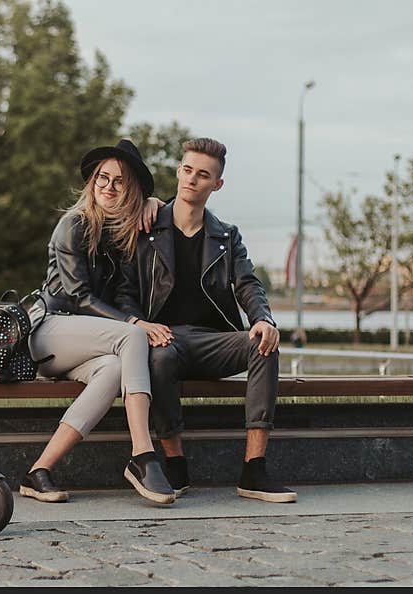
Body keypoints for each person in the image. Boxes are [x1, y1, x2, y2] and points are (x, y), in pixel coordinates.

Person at [115, 137, 297, 503]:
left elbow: (248, 283)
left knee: (263, 344)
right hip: (164, 340)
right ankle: (175, 463)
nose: (191, 180)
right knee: (160, 355)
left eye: (202, 175)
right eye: (186, 170)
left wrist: (263, 319)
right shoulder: (146, 227)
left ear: (217, 184)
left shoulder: (226, 235)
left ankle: (254, 470)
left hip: (214, 341)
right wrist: (138, 324)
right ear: (178, 171)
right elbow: (123, 291)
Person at [20, 138, 175, 505]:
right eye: (103, 178)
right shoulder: (72, 224)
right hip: (48, 330)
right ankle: (142, 453)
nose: (108, 186)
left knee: (113, 369)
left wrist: (157, 205)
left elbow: (122, 296)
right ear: (92, 183)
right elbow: (79, 297)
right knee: (132, 339)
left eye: (119, 181)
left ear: (131, 189)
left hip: (83, 340)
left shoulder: (121, 236)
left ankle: (38, 470)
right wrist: (136, 325)